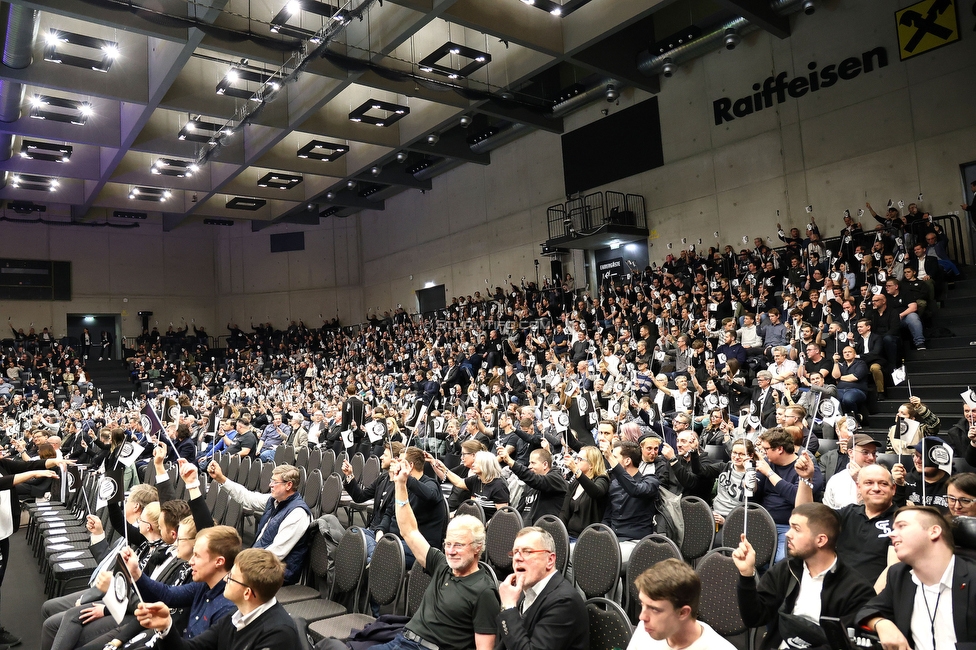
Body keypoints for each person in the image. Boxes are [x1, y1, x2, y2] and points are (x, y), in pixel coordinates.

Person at [370, 458, 499, 650]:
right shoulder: (441, 564)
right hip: (403, 640)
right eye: (448, 543)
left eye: (459, 545)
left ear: (477, 547)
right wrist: (400, 484)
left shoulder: (484, 591)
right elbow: (409, 531)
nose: (451, 551)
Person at [732, 503, 876, 650]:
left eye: (796, 529)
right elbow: (754, 618)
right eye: (789, 527)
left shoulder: (857, 589)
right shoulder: (786, 570)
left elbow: (842, 645)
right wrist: (747, 575)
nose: (788, 534)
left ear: (821, 540)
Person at [135, 547, 301, 650]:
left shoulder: (278, 635)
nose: (224, 579)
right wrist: (166, 627)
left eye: (231, 577)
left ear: (247, 593)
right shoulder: (235, 618)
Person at [858, 506, 976, 649]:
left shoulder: (971, 577)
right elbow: (866, 610)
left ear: (934, 531)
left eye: (902, 526)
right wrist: (882, 624)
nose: (891, 534)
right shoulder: (900, 575)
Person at [797, 457, 897, 586]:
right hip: (837, 591)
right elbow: (806, 517)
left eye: (883, 483)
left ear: (893, 489)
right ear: (859, 487)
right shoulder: (848, 513)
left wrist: (870, 604)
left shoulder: (901, 521)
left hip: (872, 598)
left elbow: (893, 570)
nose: (876, 488)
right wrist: (805, 479)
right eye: (869, 483)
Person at [206, 462, 312, 584]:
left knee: (218, 579)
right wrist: (221, 479)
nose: (270, 485)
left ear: (288, 485)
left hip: (276, 573)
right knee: (214, 568)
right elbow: (247, 497)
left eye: (274, 482)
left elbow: (276, 553)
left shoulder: (298, 513)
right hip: (259, 561)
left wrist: (241, 566)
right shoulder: (274, 500)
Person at [495, 527, 588, 650]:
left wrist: (509, 608)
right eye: (515, 552)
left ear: (550, 560)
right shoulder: (523, 592)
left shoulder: (564, 601)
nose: (517, 558)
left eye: (527, 551)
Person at [627, 559, 735, 650]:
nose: (642, 617)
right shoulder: (645, 630)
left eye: (654, 609)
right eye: (643, 604)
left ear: (683, 613)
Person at [753, 428, 824, 562]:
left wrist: (769, 474)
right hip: (763, 522)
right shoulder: (768, 464)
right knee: (750, 557)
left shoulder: (807, 468)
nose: (763, 452)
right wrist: (750, 485)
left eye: (766, 449)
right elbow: (751, 499)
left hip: (789, 526)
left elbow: (795, 497)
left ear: (779, 449)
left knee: (781, 561)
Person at [601, 439, 659, 565]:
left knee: (604, 562)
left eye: (615, 457)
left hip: (636, 542)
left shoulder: (650, 481)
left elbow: (635, 490)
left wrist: (610, 458)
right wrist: (600, 537)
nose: (610, 460)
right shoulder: (614, 483)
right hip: (612, 538)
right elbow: (607, 517)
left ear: (627, 461)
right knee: (578, 554)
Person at [497, 447, 567, 524]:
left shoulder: (556, 479)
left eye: (533, 463)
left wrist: (510, 461)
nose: (529, 466)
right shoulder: (530, 483)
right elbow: (520, 510)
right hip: (525, 529)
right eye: (529, 463)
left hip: (543, 532)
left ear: (545, 464)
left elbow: (537, 480)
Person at [436, 450, 509, 519]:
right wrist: (444, 469)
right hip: (472, 521)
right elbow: (459, 482)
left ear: (485, 465)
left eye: (476, 463)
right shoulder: (476, 480)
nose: (473, 465)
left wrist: (484, 526)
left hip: (487, 527)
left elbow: (501, 515)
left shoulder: (499, 486)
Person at [559, 446, 610, 541]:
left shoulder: (602, 479)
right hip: (568, 536)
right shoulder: (575, 482)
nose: (576, 461)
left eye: (580, 459)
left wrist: (575, 470)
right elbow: (564, 511)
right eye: (576, 458)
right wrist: (560, 533)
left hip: (588, 539)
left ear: (591, 464)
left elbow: (596, 492)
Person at [821, 433, 880, 509]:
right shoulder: (836, 480)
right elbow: (828, 512)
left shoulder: (881, 480)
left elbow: (876, 511)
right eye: (865, 452)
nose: (871, 457)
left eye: (874, 453)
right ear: (850, 452)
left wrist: (860, 480)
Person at [892, 436, 951, 512]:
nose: (917, 460)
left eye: (923, 457)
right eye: (916, 455)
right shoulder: (905, 480)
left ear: (941, 460)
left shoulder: (954, 484)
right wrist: (899, 485)